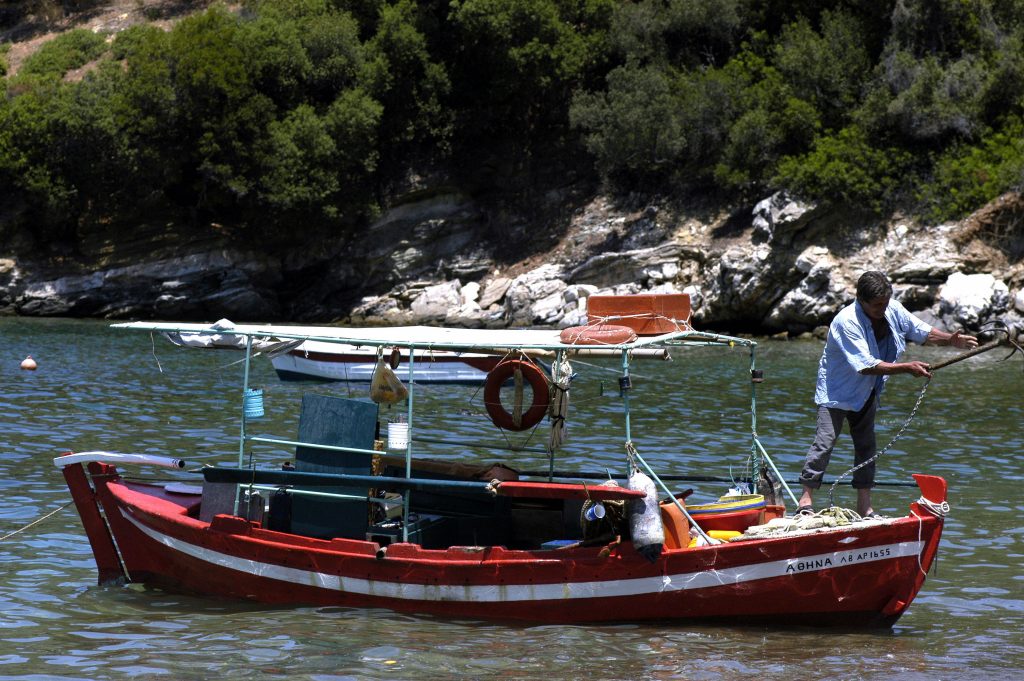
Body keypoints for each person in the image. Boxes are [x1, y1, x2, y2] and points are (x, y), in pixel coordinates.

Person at [797, 271, 978, 517]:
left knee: (866, 448)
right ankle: (805, 502)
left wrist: (951, 340)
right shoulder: (846, 321)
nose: (882, 309)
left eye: (885, 302)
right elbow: (865, 365)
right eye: (876, 305)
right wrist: (906, 367)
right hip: (836, 391)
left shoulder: (891, 308)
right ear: (861, 299)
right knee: (824, 443)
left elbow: (921, 330)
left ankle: (865, 507)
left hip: (867, 391)